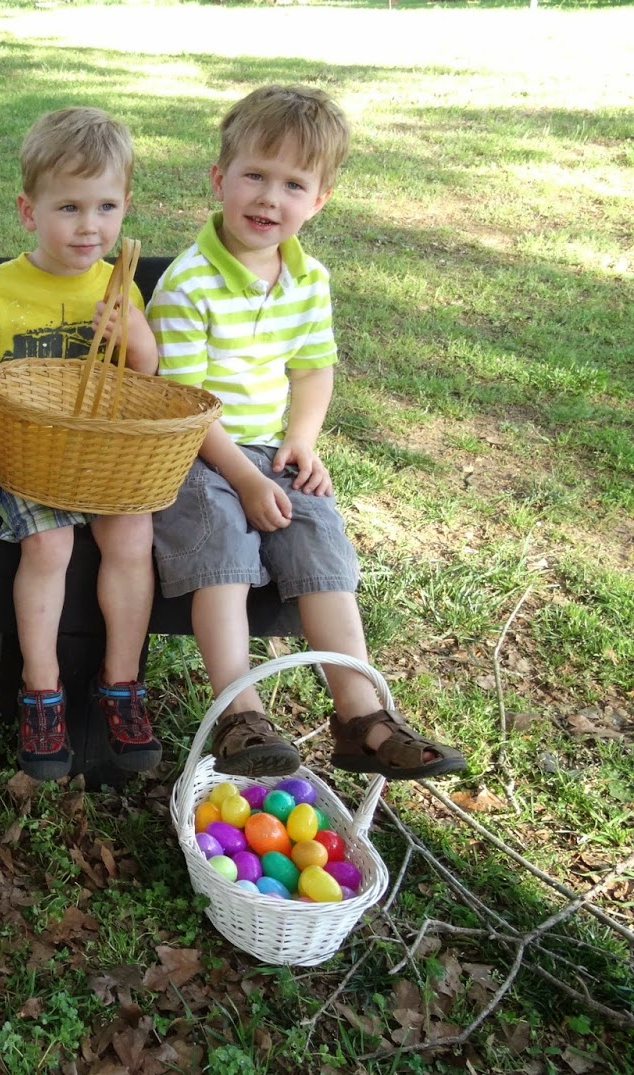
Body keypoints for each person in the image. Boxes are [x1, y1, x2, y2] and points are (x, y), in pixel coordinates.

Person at [146, 85, 465, 780]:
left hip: (269, 450)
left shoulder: (307, 279)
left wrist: (302, 439)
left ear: (318, 201)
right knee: (222, 545)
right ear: (219, 179)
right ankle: (240, 711)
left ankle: (362, 715)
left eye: (293, 184)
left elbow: (313, 367)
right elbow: (184, 405)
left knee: (320, 537)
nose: (269, 198)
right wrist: (247, 478)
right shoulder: (188, 284)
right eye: (255, 175)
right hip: (194, 453)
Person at [0, 107, 163, 783]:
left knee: (131, 536)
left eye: (106, 207)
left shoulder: (118, 286)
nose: (89, 226)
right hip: (26, 450)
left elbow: (147, 375)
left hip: (102, 454)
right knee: (50, 543)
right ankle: (41, 686)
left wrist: (132, 333)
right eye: (69, 206)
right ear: (27, 209)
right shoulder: (0, 288)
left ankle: (120, 681)